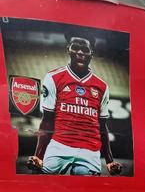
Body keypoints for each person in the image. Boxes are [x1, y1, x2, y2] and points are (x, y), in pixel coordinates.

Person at [28, 36, 122, 176]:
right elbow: (47, 120)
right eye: (75, 48)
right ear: (68, 50)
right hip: (59, 145)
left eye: (85, 49)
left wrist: (109, 161)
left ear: (91, 53)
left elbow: (102, 126)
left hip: (89, 151)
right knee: (40, 181)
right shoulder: (53, 77)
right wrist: (38, 156)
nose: (80, 52)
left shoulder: (102, 86)